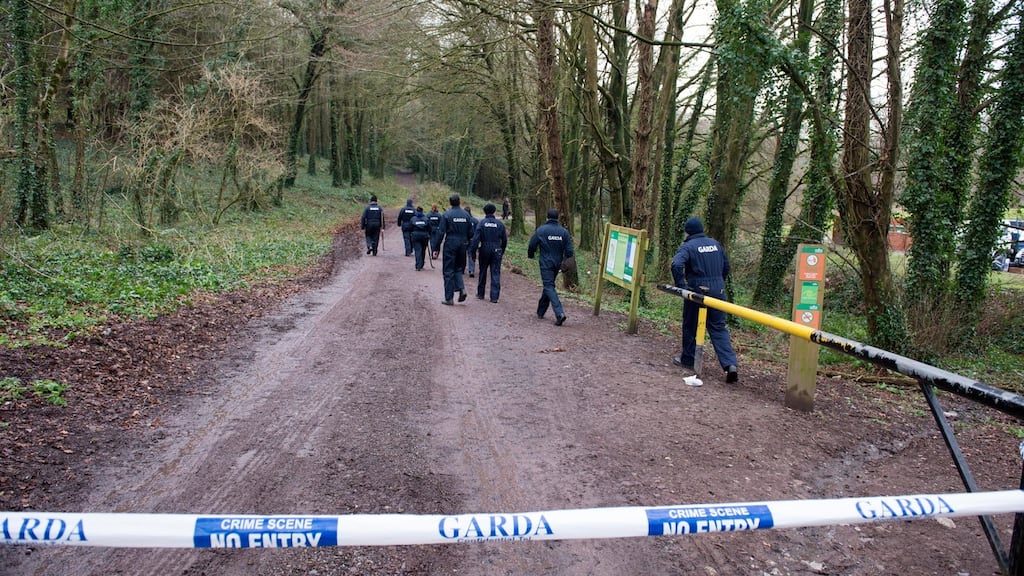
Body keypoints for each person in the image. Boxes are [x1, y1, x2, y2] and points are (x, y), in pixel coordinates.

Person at [671, 217, 739, 383]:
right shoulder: (715, 244)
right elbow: (726, 266)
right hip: (719, 289)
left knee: (691, 324)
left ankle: (688, 358)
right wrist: (718, 282)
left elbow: (676, 264)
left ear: (688, 232)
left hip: (697, 290)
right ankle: (730, 364)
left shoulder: (688, 246)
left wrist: (682, 286)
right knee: (718, 328)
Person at [527, 208, 574, 325]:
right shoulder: (564, 232)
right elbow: (569, 251)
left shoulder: (542, 230)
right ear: (557, 218)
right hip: (557, 264)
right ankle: (540, 311)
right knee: (549, 286)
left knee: (548, 286)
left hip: (545, 263)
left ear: (547, 217)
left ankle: (559, 313)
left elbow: (532, 245)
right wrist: (565, 261)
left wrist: (531, 255)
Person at [431, 194, 473, 305]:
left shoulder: (447, 215)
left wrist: (436, 248)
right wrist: (467, 242)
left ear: (450, 203)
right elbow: (471, 232)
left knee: (448, 270)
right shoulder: (466, 215)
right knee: (458, 268)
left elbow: (440, 233)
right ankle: (462, 288)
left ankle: (449, 298)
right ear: (460, 202)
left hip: (451, 243)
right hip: (463, 243)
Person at [469, 203, 508, 303]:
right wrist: (501, 250)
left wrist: (473, 252)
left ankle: (481, 294)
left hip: (484, 248)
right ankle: (494, 297)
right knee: (495, 272)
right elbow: (504, 240)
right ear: (494, 211)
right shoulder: (500, 224)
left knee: (483, 271)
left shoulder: (481, 223)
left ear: (484, 211)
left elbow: (475, 239)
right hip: (496, 249)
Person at [409, 206, 431, 271]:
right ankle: (421, 264)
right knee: (423, 250)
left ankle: (418, 265)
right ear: (422, 211)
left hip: (415, 236)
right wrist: (429, 234)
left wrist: (411, 234)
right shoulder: (426, 219)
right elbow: (430, 228)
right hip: (424, 237)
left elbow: (410, 228)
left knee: (418, 250)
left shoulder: (413, 219)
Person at [465, 206, 478, 277]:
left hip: (465, 239)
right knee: (471, 255)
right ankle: (471, 270)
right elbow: (478, 231)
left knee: (462, 254)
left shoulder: (464, 220)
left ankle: (462, 269)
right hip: (473, 240)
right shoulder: (475, 220)